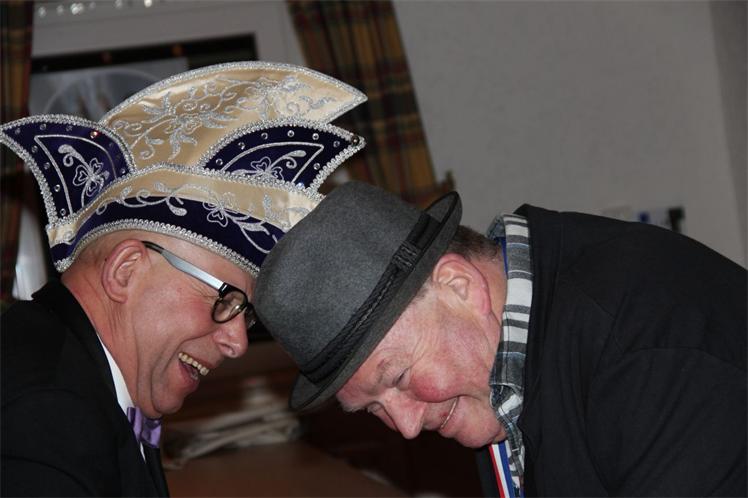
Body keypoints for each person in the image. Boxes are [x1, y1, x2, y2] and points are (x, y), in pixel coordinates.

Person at [0, 61, 366, 496]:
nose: (238, 343)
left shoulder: (83, 378)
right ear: (126, 271)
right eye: (225, 300)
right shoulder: (46, 409)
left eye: (245, 314)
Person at [255, 181, 747, 497]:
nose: (406, 427)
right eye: (372, 409)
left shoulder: (650, 347)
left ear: (459, 287)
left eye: (398, 377)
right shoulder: (497, 372)